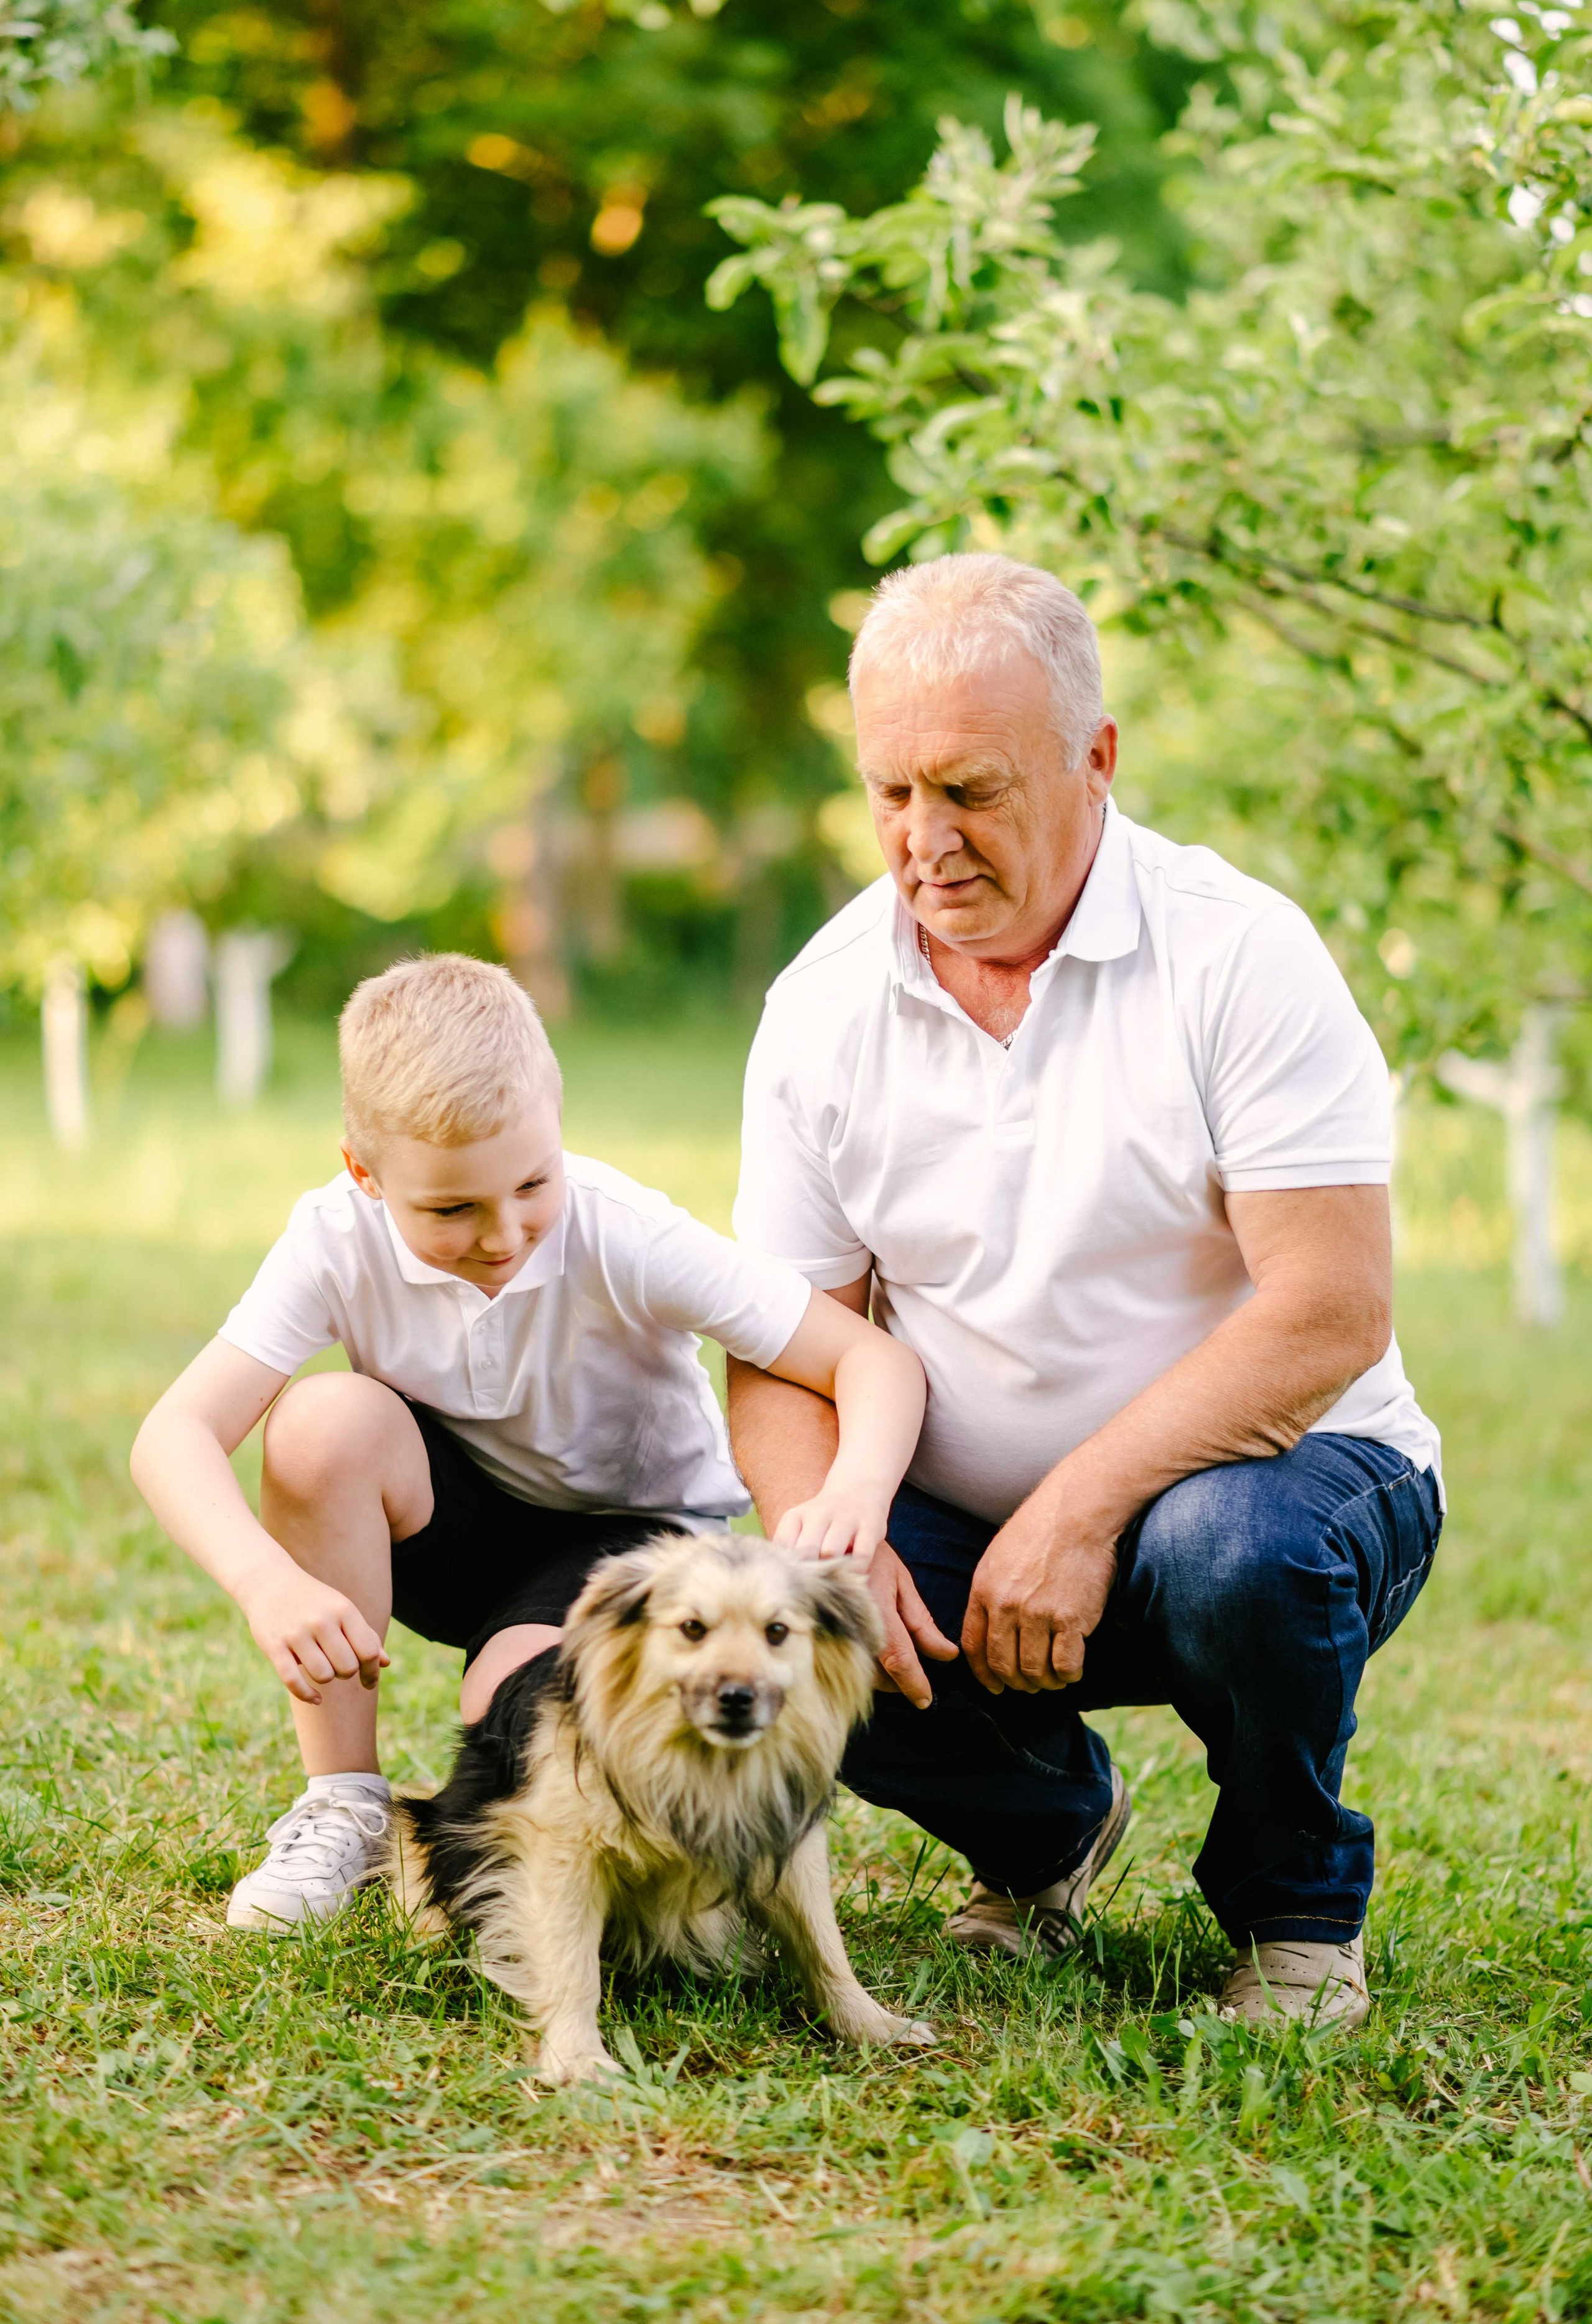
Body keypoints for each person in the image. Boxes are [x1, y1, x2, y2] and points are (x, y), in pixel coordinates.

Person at [729, 552, 1443, 2032]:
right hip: (974, 1528)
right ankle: (1044, 1829)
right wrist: (829, 1540)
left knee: (1233, 1552)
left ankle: (1295, 1913)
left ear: (1095, 757)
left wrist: (1078, 1504)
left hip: (1282, 1489)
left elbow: (1326, 1312)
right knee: (778, 1604)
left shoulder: (1237, 954)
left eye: (969, 790)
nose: (923, 839)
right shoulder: (817, 1007)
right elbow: (785, 1350)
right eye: (889, 792)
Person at [131, 954, 924, 1931]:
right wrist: (267, 1583)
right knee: (321, 1420)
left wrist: (858, 1488)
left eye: (532, 1182)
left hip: (626, 1539)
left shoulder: (622, 1231)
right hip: (452, 1524)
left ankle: (677, 1861)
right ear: (364, 1175)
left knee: (512, 1714)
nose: (505, 1233)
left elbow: (872, 1362)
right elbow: (174, 1434)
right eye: (451, 1208)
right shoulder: (332, 1236)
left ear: (558, 1130)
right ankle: (344, 1802)